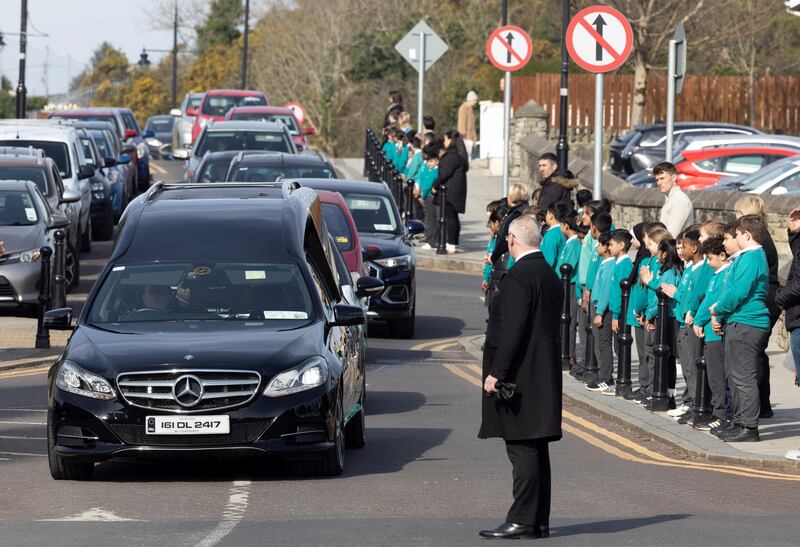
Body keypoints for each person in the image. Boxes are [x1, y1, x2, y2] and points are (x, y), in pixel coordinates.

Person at [479, 215, 562, 540]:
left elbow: (511, 331)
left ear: (512, 240)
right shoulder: (547, 273)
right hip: (543, 374)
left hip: (521, 378)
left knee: (522, 448)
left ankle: (522, 520)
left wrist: (496, 373)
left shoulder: (518, 277)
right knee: (536, 448)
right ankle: (538, 521)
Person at [710, 215, 771, 442]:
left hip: (748, 323)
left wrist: (717, 310)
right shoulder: (745, 258)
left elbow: (738, 292)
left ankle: (749, 427)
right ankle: (738, 421)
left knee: (743, 377)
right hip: (739, 321)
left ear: (747, 235)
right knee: (735, 376)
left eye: (736, 235)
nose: (733, 239)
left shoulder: (752, 257)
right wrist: (722, 313)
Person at [734, 196, 777, 418]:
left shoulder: (758, 243)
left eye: (737, 214)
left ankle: (759, 407)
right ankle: (762, 405)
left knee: (754, 355)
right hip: (767, 297)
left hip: (764, 299)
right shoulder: (762, 238)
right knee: (757, 354)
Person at [693, 236, 731, 431]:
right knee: (713, 376)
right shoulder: (717, 274)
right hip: (710, 333)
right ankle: (718, 413)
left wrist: (698, 320)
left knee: (717, 378)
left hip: (716, 335)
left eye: (710, 258)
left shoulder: (724, 275)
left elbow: (711, 302)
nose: (708, 262)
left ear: (722, 256)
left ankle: (721, 416)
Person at [587, 231, 616, 392]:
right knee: (599, 343)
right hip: (598, 306)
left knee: (604, 344)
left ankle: (607, 378)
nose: (597, 247)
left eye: (599, 244)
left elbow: (605, 291)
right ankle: (602, 375)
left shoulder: (610, 264)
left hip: (603, 310)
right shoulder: (604, 263)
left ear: (606, 247)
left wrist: (599, 312)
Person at [432, 131, 468, 254]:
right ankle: (452, 242)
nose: (444, 142)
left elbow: (444, 174)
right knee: (452, 217)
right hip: (453, 191)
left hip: (451, 192)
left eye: (446, 139)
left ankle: (451, 243)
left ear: (451, 140)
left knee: (450, 217)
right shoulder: (455, 155)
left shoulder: (452, 156)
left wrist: (434, 185)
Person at [653, 161, 694, 237]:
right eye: (657, 180)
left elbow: (672, 234)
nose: (659, 183)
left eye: (662, 178)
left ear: (674, 177)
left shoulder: (679, 200)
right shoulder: (674, 199)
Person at [418, 142, 441, 249]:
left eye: (431, 161)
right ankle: (430, 239)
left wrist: (422, 195)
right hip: (426, 195)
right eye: (428, 161)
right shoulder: (428, 169)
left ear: (437, 161)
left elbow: (428, 184)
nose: (429, 163)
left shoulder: (435, 171)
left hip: (430, 197)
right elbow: (422, 180)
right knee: (429, 218)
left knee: (432, 220)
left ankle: (433, 242)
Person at [541, 203, 569, 268]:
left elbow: (548, 260)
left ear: (551, 215)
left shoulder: (551, 234)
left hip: (554, 273)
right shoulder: (565, 230)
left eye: (547, 213)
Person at [457, 91, 478, 158]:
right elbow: (461, 124)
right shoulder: (463, 108)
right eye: (474, 100)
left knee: (468, 156)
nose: (475, 102)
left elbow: (472, 126)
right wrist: (463, 136)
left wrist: (474, 139)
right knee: (465, 156)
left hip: (469, 138)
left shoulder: (470, 109)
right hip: (465, 137)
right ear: (470, 99)